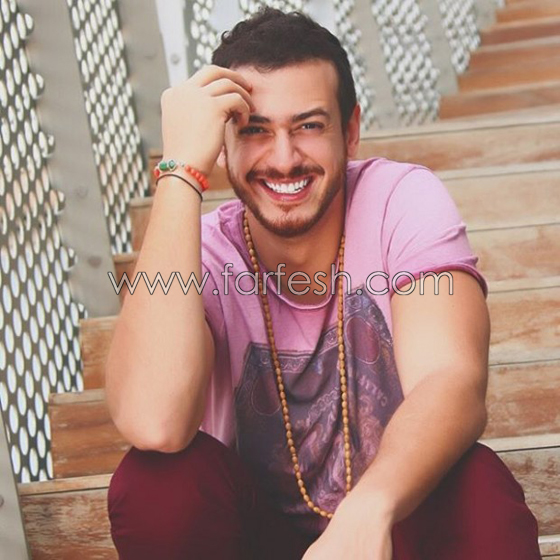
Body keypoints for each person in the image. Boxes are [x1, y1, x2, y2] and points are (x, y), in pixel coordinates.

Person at [105, 7, 542, 559]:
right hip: (250, 537)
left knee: (476, 485)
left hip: (389, 527)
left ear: (350, 131)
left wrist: (369, 510)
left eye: (308, 126)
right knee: (156, 485)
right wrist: (180, 172)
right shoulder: (204, 253)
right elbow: (153, 422)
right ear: (223, 144)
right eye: (254, 130)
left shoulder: (400, 201)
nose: (283, 159)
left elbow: (450, 381)